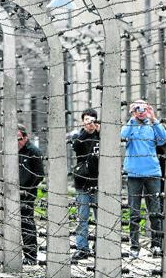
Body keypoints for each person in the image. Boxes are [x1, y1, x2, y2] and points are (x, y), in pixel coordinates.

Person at [121, 99, 166, 259]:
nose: (141, 111)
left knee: (155, 212)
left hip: (152, 173)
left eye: (143, 107)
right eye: (137, 108)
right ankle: (134, 246)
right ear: (133, 110)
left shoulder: (152, 125)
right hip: (134, 174)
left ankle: (156, 246)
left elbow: (163, 139)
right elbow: (122, 135)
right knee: (134, 213)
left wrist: (153, 118)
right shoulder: (131, 125)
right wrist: (132, 118)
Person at [71, 108, 100, 260]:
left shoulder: (101, 135)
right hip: (82, 182)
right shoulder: (79, 136)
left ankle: (100, 246)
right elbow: (76, 147)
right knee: (82, 218)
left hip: (99, 182)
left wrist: (99, 132)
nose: (90, 124)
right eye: (87, 120)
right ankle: (82, 248)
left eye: (92, 120)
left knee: (100, 218)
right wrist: (85, 131)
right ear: (83, 121)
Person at [18, 124, 44, 265]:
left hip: (27, 193)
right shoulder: (12, 150)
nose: (16, 143)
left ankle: (30, 256)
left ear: (25, 137)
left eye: (18, 139)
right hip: (12, 192)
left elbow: (40, 174)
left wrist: (28, 188)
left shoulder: (34, 151)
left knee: (26, 222)